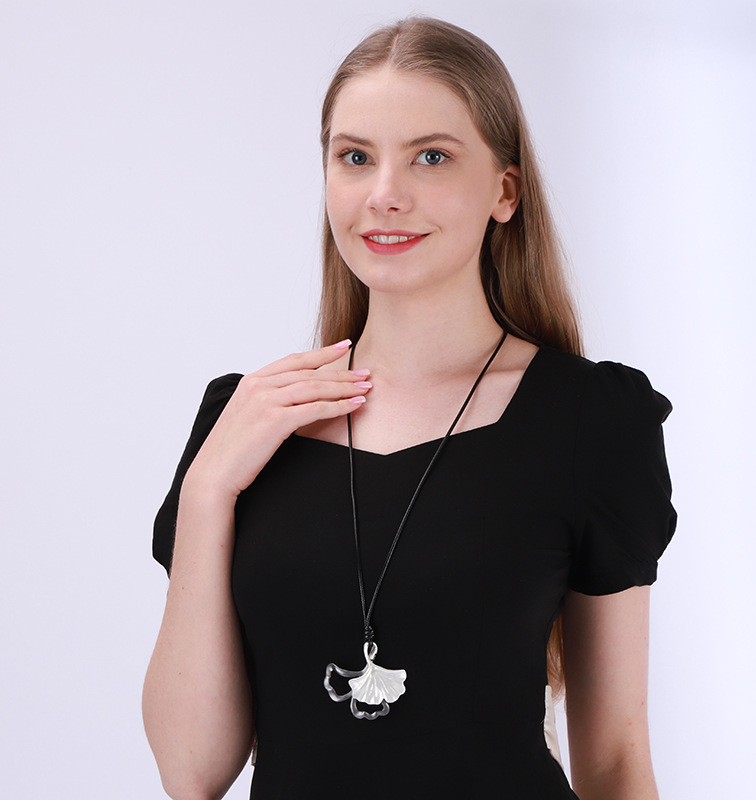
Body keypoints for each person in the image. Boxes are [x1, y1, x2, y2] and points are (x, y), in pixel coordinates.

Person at [143, 16, 676, 800]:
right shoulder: (246, 420)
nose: (384, 195)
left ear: (505, 191)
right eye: (355, 157)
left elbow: (616, 761)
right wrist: (208, 488)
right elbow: (191, 771)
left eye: (431, 156)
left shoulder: (590, 421)